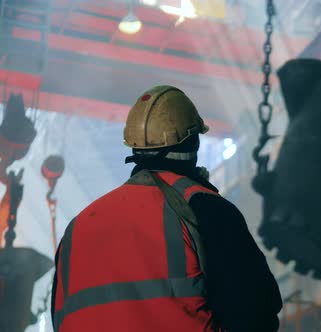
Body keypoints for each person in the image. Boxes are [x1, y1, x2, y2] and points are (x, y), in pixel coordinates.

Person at [51, 85, 282, 332]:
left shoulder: (77, 228)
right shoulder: (204, 208)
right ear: (193, 143)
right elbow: (256, 313)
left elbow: (60, 316)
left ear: (134, 146)